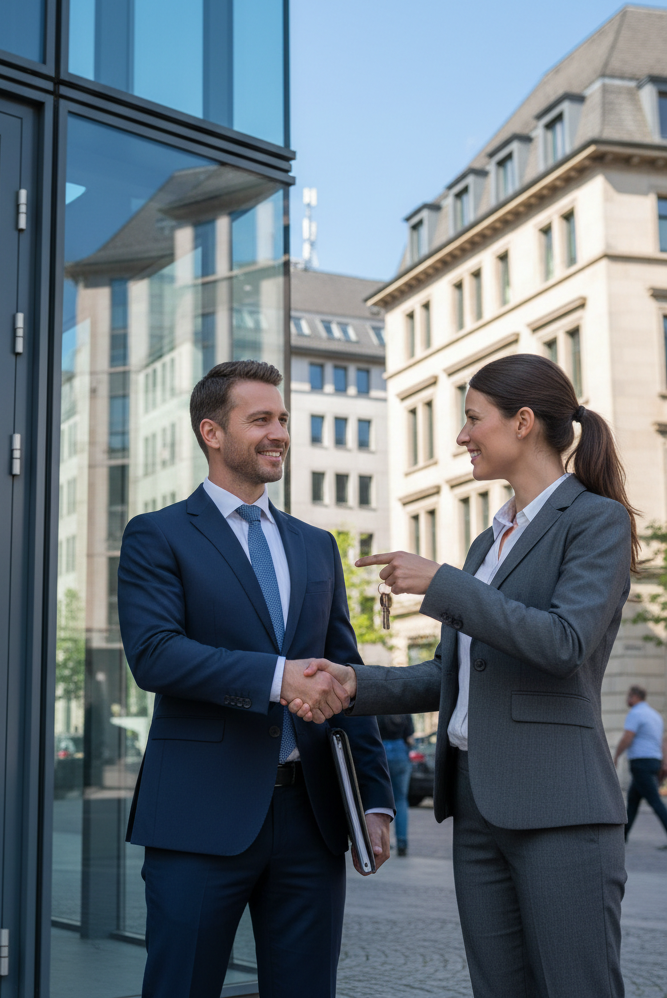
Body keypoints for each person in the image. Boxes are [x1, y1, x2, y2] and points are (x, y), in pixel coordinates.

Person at [295, 354, 638, 998]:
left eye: (472, 419)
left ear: (524, 422)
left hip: (560, 809)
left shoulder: (597, 521)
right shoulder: (490, 541)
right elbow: (451, 675)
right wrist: (350, 683)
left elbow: (563, 643)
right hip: (477, 806)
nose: (460, 436)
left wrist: (443, 584)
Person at [117, 360, 393, 998]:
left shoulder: (316, 544)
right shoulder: (157, 535)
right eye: (261, 419)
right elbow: (155, 655)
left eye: (284, 419)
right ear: (212, 433)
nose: (280, 434)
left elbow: (346, 675)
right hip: (198, 815)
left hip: (313, 815)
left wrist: (372, 799)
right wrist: (278, 677)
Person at [614, 685, 667, 846]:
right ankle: (622, 838)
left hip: (641, 763)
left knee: (655, 801)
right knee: (633, 801)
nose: (627, 700)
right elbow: (662, 742)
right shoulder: (655, 715)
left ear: (636, 697)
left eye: (629, 696)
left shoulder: (636, 713)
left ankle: (622, 838)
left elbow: (628, 736)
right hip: (654, 761)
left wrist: (616, 755)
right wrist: (664, 762)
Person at [377, 714, 415, 855]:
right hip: (400, 752)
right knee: (401, 799)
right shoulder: (405, 711)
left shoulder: (378, 709)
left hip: (381, 751)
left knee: (380, 800)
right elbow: (410, 739)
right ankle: (402, 842)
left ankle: (381, 842)